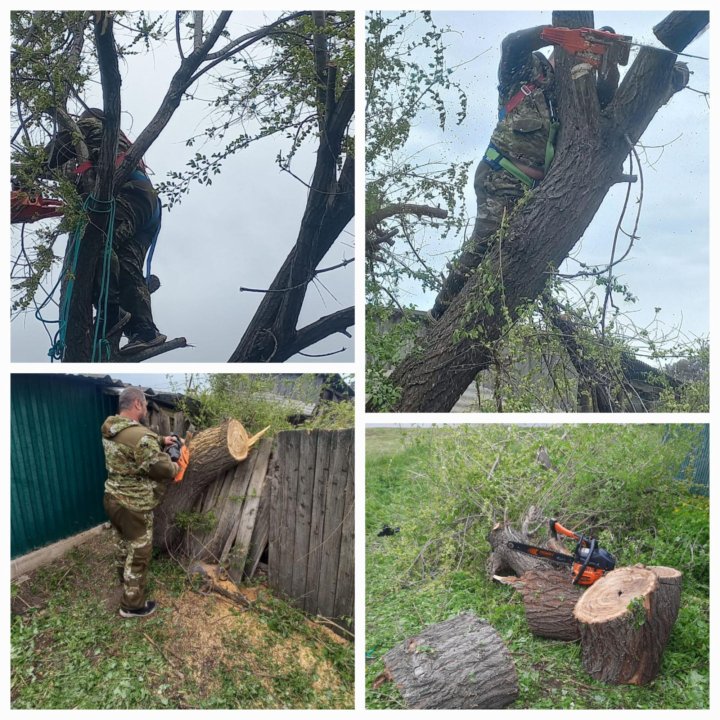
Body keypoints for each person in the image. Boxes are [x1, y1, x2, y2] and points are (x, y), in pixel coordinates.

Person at [429, 25, 620, 320]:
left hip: (537, 190)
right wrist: (552, 33)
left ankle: (483, 317)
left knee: (519, 253)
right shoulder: (526, 74)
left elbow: (606, 100)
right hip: (502, 174)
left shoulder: (573, 97)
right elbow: (512, 43)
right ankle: (442, 311)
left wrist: (609, 64)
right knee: (486, 240)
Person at [47, 108, 166, 354]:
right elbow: (70, 170)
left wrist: (23, 173)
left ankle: (111, 315)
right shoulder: (114, 142)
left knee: (98, 244)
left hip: (125, 193)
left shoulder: (88, 125)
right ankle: (144, 331)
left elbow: (51, 156)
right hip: (146, 204)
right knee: (127, 265)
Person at [101, 386, 181, 618]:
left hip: (112, 498)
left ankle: (124, 581)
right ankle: (132, 605)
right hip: (133, 505)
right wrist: (176, 462)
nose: (146, 409)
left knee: (122, 543)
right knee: (139, 553)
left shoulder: (111, 426)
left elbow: (133, 436)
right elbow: (162, 469)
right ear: (137, 404)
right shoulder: (141, 439)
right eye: (145, 405)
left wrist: (161, 439)